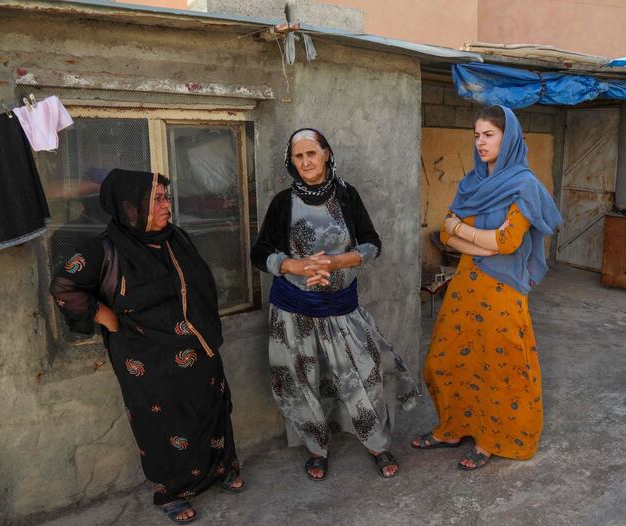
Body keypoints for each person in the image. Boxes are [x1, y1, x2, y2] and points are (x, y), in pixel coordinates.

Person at [50, 169, 243, 524]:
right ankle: (172, 490)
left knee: (210, 406)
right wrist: (103, 316)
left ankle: (220, 469)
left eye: (166, 197)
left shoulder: (176, 237)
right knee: (162, 423)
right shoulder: (104, 250)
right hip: (146, 355)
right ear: (130, 206)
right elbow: (64, 286)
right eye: (157, 199)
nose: (167, 205)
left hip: (196, 346)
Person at [251, 128, 418, 480]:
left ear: (326, 154)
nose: (306, 161)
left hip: (341, 306)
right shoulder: (283, 202)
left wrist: (335, 263)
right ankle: (316, 449)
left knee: (363, 376)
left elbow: (372, 243)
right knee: (302, 380)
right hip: (293, 308)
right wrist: (294, 265)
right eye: (298, 156)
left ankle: (375, 442)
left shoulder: (346, 196)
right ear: (291, 162)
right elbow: (260, 251)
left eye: (312, 153)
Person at [412, 105, 561, 470]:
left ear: (507, 138)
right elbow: (446, 234)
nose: (480, 142)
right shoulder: (473, 183)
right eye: (476, 135)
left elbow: (508, 242)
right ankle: (452, 427)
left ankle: (491, 439)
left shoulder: (523, 185)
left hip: (502, 292)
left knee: (500, 369)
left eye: (489, 135)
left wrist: (463, 232)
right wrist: (479, 241)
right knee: (444, 360)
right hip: (466, 286)